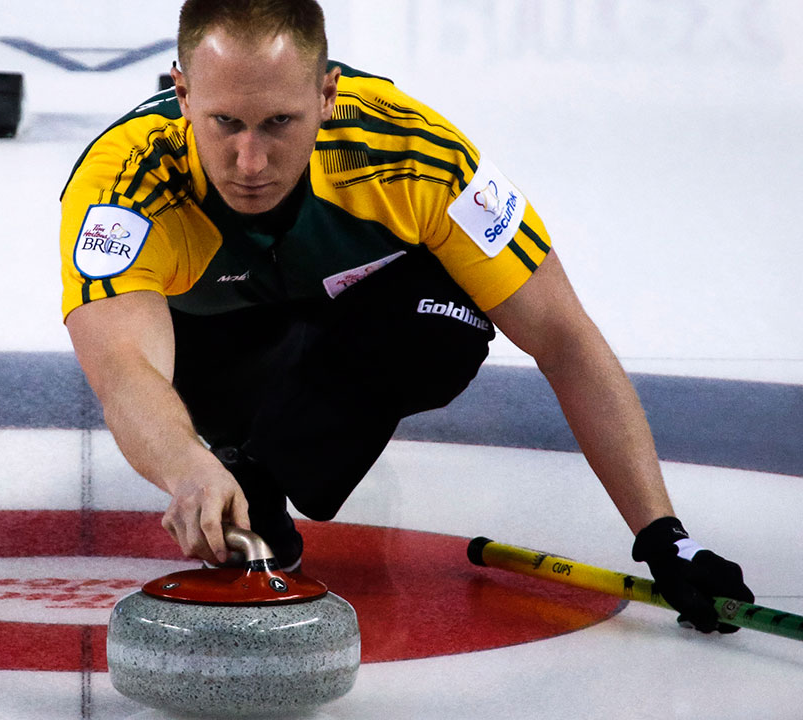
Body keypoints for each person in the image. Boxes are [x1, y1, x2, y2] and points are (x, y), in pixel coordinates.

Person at [59, 0, 752, 633]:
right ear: (181, 93)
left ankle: (261, 474)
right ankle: (233, 467)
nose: (250, 161)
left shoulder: (415, 155)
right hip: (204, 362)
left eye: (279, 123)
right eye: (224, 123)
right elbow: (126, 368)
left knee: (447, 315)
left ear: (327, 94)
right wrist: (186, 467)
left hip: (336, 336)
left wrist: (665, 537)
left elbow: (563, 338)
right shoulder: (123, 184)